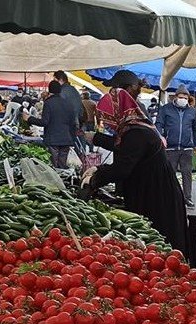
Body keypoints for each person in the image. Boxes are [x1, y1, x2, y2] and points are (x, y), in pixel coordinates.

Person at [79, 88, 189, 254]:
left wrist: (95, 178)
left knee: (160, 241)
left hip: (156, 193)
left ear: (117, 112)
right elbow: (122, 147)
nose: (106, 122)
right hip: (154, 187)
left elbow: (123, 168)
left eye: (107, 116)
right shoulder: (136, 127)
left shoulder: (136, 133)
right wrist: (96, 144)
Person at [156, 84, 196, 208]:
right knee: (170, 174)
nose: (183, 100)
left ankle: (187, 198)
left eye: (186, 98)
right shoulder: (166, 109)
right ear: (175, 97)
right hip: (171, 147)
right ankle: (168, 197)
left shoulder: (191, 111)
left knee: (187, 173)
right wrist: (161, 136)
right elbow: (158, 124)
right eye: (181, 97)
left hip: (187, 148)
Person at [23, 81, 75, 168]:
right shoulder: (68, 103)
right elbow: (73, 121)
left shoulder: (49, 102)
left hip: (53, 139)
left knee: (53, 167)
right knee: (62, 166)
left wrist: (29, 118)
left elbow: (44, 122)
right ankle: (63, 181)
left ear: (49, 90)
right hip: (66, 138)